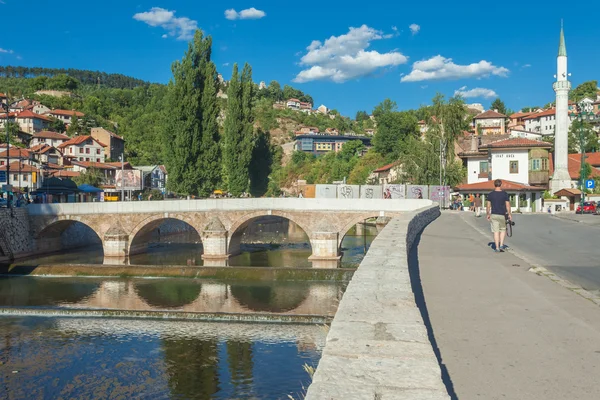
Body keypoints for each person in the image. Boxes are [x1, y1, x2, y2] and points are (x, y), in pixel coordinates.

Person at [486, 179, 512, 252]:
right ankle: (501, 245)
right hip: (502, 215)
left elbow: (488, 206)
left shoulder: (490, 194)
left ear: (494, 185)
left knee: (496, 231)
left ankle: (497, 247)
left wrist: (488, 214)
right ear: (501, 184)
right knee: (503, 230)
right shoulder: (504, 194)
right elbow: (507, 205)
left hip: (494, 214)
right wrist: (509, 214)